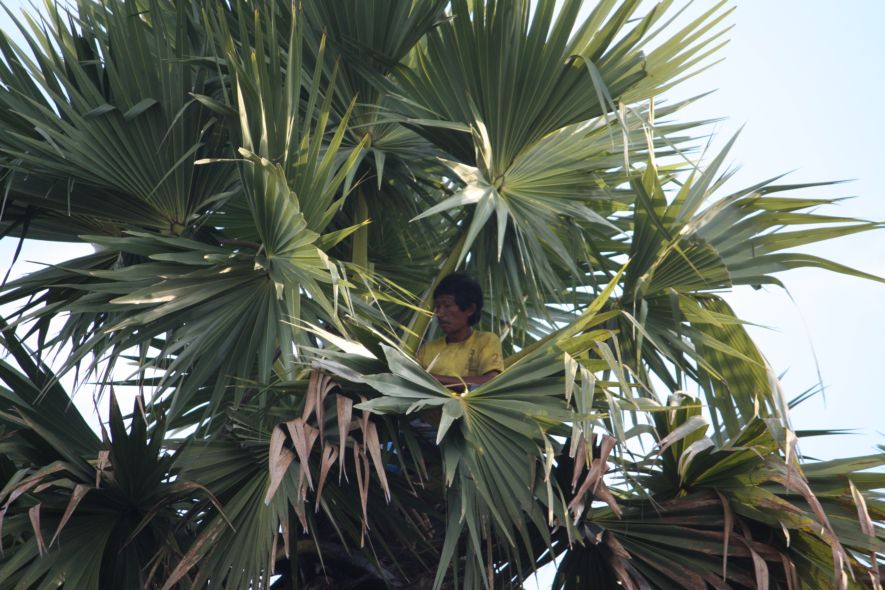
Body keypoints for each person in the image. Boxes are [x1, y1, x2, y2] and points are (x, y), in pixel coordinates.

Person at [417, 272, 503, 390]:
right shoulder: (427, 350)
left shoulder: (485, 341)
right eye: (437, 306)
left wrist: (431, 379)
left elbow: (490, 382)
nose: (439, 313)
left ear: (469, 309)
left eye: (447, 306)